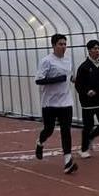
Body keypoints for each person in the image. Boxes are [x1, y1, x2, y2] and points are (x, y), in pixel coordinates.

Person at [34, 34, 77, 174]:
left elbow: (69, 76)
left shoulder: (68, 60)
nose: (63, 47)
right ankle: (40, 142)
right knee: (49, 129)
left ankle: (68, 161)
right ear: (53, 45)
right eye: (60, 44)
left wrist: (75, 79)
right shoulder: (46, 61)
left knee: (66, 130)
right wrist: (58, 79)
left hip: (66, 101)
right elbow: (38, 80)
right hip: (50, 102)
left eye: (65, 44)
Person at [74, 39, 99, 158]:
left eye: (98, 48)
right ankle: (84, 150)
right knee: (88, 126)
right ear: (89, 51)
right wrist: (87, 92)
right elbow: (78, 84)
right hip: (88, 103)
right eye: (95, 48)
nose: (97, 51)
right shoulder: (84, 67)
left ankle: (91, 137)